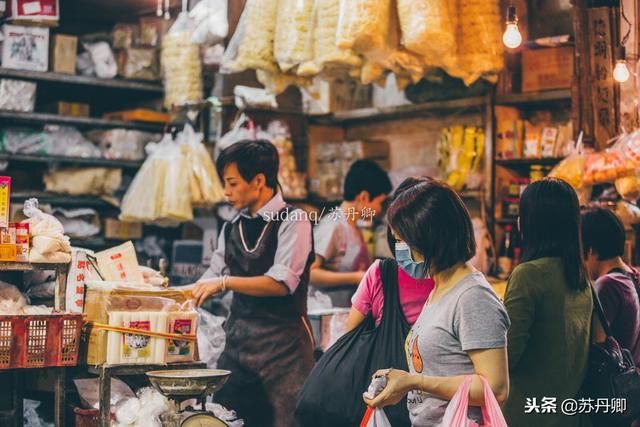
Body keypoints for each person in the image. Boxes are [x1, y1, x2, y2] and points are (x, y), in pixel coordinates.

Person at [363, 179, 510, 426]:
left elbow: (495, 389)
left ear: (430, 238)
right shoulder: (440, 288)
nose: (398, 249)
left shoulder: (473, 297)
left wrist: (414, 382)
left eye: (402, 241)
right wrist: (400, 381)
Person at [191, 140, 315, 427]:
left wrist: (224, 283)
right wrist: (171, 297)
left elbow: (281, 282)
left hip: (286, 355)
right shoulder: (232, 227)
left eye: (232, 183)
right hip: (239, 350)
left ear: (258, 181)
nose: (226, 192)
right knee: (228, 420)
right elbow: (212, 274)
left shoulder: (293, 220)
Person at [502, 178, 593, 427]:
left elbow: (506, 357)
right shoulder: (581, 277)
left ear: (531, 223)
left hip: (526, 417)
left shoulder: (528, 275)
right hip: (568, 416)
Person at [347, 177, 435, 331]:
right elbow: (350, 341)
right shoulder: (380, 275)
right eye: (399, 239)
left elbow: (349, 340)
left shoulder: (451, 282)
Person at [310, 159, 392, 307]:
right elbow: (310, 273)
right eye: (380, 203)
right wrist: (356, 277)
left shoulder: (353, 226)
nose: (380, 210)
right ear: (364, 197)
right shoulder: (333, 226)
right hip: (325, 315)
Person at [581, 206, 640, 366]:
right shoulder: (633, 275)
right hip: (632, 379)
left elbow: (597, 344)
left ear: (590, 250)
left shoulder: (608, 285)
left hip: (615, 385)